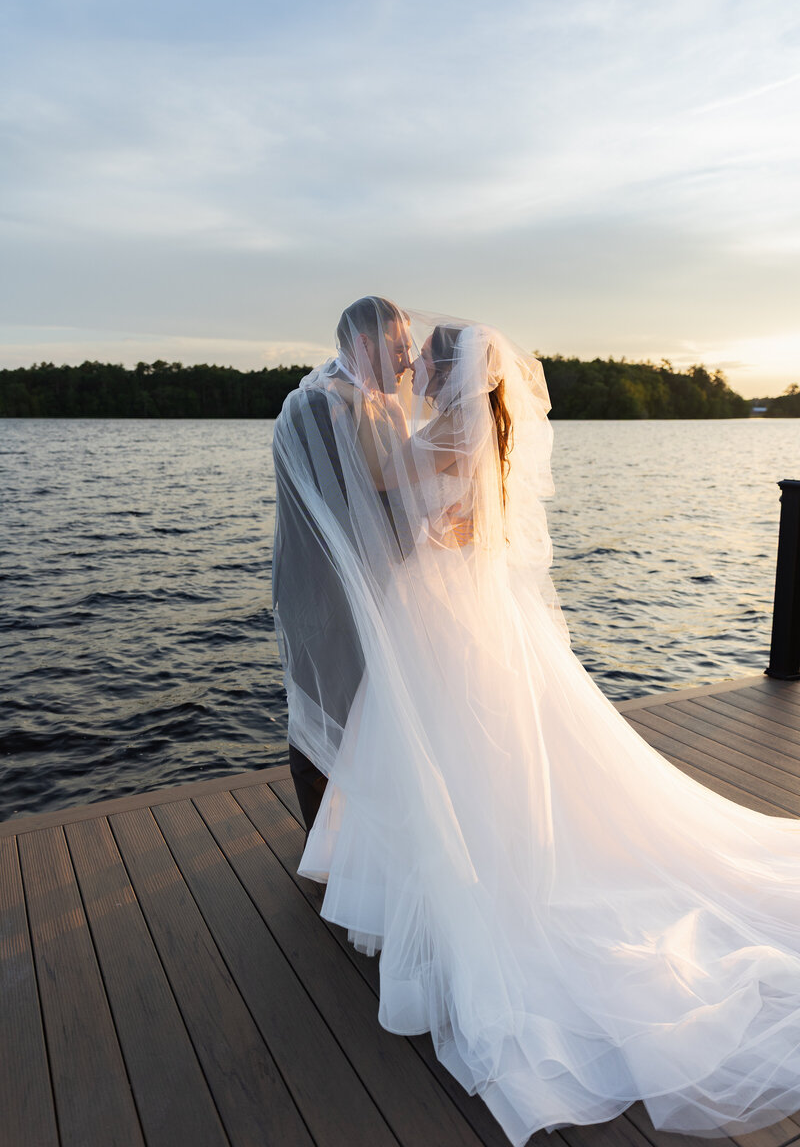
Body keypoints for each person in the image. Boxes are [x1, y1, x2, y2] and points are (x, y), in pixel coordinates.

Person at [272, 305, 800, 1147]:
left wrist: (374, 444)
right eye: (403, 355)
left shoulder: (437, 435)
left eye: (424, 360)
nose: (413, 370)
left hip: (435, 616)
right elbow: (442, 517)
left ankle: (455, 877)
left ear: (453, 372)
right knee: (464, 752)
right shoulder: (474, 431)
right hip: (457, 611)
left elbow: (395, 505)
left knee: (442, 750)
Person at [271, 295, 413, 837]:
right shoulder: (315, 405)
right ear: (363, 344)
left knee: (370, 707)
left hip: (374, 586)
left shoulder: (382, 404)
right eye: (399, 347)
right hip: (321, 588)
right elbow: (344, 507)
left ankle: (361, 835)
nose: (408, 360)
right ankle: (325, 845)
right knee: (319, 710)